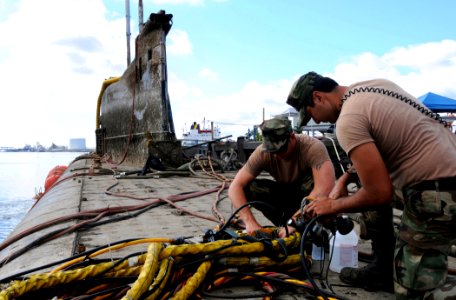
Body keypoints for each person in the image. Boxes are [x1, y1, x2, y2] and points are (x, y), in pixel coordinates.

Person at [286, 71, 456, 299]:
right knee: (363, 186)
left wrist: (332, 206)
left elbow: (379, 193)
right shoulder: (375, 86)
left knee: (415, 288)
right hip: (444, 178)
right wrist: (345, 179)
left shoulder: (347, 121)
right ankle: (384, 268)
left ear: (318, 97)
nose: (316, 121)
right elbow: (383, 150)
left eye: (311, 114)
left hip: (438, 193)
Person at [228, 117, 335, 238]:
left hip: (307, 199)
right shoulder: (262, 153)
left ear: (292, 137)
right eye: (273, 151)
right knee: (249, 187)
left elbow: (324, 188)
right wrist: (250, 222)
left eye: (281, 149)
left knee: (318, 191)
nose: (277, 155)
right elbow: (235, 186)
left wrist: (295, 221)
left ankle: (312, 226)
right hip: (284, 196)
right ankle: (283, 225)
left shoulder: (312, 147)